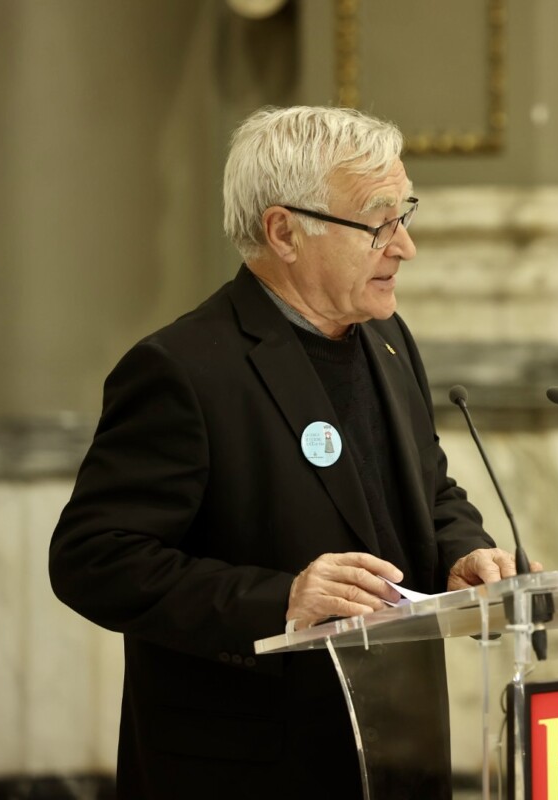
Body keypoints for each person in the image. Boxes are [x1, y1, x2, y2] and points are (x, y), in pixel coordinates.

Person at [49, 106, 519, 798]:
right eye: (378, 221)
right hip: (246, 765)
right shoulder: (184, 369)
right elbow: (94, 558)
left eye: (405, 214)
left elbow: (429, 486)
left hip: (399, 755)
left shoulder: (388, 344)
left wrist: (461, 553)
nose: (405, 246)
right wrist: (283, 602)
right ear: (284, 231)